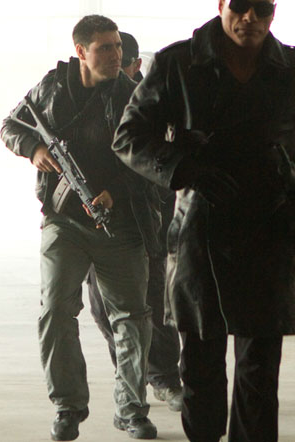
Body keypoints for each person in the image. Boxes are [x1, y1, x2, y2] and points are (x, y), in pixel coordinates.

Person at [112, 0, 295, 442]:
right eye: (240, 5)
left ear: (273, 12)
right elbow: (129, 137)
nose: (250, 17)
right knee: (201, 375)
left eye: (262, 9)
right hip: (200, 232)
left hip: (270, 232)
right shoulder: (178, 64)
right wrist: (186, 169)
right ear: (221, 4)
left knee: (259, 380)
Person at [0, 15, 159, 441]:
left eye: (118, 47)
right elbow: (10, 126)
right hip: (64, 221)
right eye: (105, 48)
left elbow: (151, 160)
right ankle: (68, 406)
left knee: (132, 319)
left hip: (120, 224)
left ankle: (131, 409)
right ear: (81, 52)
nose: (115, 55)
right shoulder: (53, 87)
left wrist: (115, 192)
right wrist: (34, 148)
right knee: (55, 310)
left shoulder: (133, 96)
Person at [85, 31, 185, 412]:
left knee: (153, 305)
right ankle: (129, 372)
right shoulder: (91, 97)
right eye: (106, 52)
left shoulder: (151, 101)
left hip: (145, 219)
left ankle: (165, 377)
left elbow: (159, 164)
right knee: (102, 307)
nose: (113, 63)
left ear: (135, 65)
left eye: (120, 56)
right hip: (101, 220)